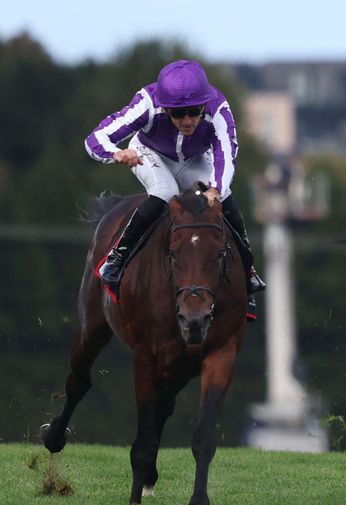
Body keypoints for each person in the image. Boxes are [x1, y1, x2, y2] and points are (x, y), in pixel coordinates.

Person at [85, 59, 265, 317]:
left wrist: (215, 188)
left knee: (223, 196)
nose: (188, 120)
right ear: (165, 108)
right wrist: (115, 153)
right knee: (165, 192)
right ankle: (115, 259)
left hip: (194, 158)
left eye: (194, 111)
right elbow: (95, 139)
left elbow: (227, 152)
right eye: (178, 114)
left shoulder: (218, 108)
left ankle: (247, 270)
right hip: (151, 153)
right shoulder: (148, 103)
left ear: (204, 103)